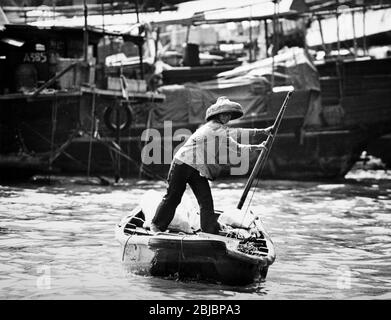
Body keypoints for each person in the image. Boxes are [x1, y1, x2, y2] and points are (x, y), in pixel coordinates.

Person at [151, 96, 272, 234]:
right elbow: (238, 132)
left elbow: (237, 147)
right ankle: (156, 225)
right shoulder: (212, 127)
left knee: (206, 200)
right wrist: (262, 131)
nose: (227, 117)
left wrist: (258, 146)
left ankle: (209, 229)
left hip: (198, 168)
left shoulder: (222, 131)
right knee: (173, 196)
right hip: (182, 164)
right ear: (218, 115)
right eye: (224, 114)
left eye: (229, 115)